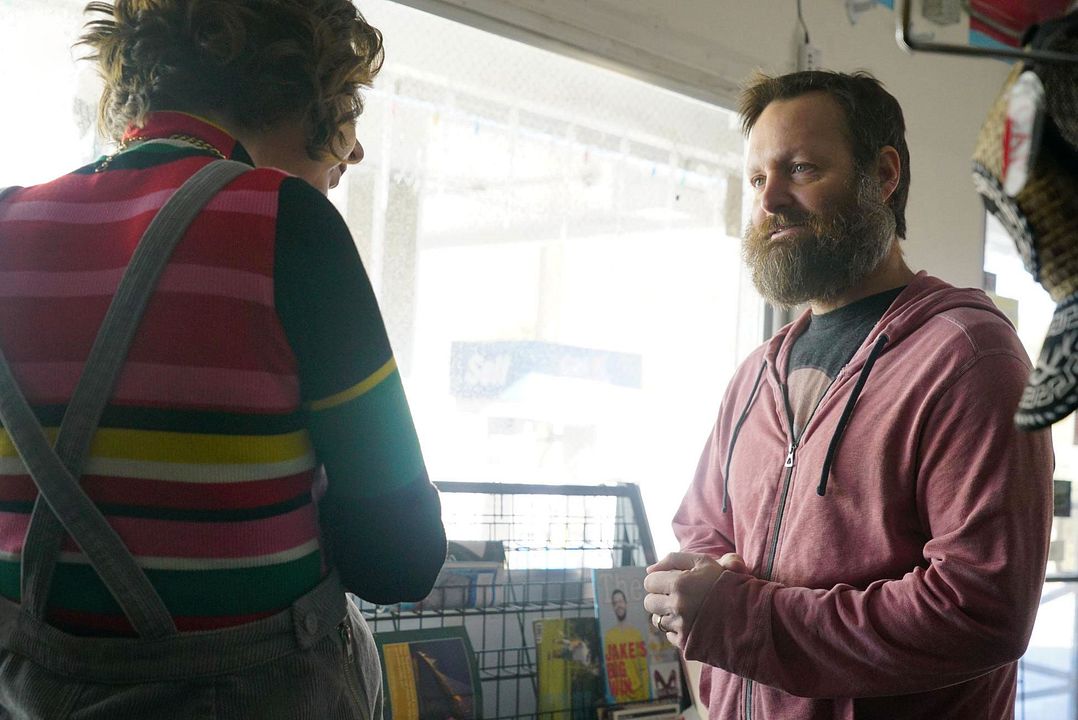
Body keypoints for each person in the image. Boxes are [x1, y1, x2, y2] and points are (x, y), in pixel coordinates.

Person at [0, 1, 446, 718]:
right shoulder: (291, 225)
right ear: (301, 90)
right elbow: (402, 560)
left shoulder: (6, 225)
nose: (356, 151)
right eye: (349, 102)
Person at [642, 70, 1054, 719]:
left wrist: (743, 617)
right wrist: (689, 583)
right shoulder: (755, 375)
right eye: (756, 180)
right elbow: (703, 528)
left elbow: (980, 610)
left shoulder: (968, 359)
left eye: (800, 168)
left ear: (883, 176)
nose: (770, 199)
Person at [601, 588, 649, 703]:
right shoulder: (608, 637)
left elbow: (644, 669)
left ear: (626, 603)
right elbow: (610, 670)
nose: (619, 605)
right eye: (615, 603)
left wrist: (646, 698)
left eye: (621, 601)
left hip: (639, 696)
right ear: (613, 607)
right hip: (620, 700)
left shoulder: (636, 634)